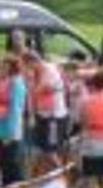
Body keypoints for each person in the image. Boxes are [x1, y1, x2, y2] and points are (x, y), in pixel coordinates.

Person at [24, 49, 69, 179]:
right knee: (42, 149)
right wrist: (32, 115)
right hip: (42, 115)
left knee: (50, 151)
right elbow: (31, 96)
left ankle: (64, 178)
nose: (26, 69)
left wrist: (30, 80)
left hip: (54, 116)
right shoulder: (33, 74)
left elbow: (41, 89)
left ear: (34, 62)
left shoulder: (50, 71)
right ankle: (41, 179)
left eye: (27, 65)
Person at [0, 54, 28, 187]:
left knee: (12, 165)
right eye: (2, 65)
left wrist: (11, 134)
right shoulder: (2, 81)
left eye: (6, 65)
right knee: (4, 164)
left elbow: (16, 109)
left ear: (13, 68)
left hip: (9, 130)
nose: (2, 67)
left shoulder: (16, 83)